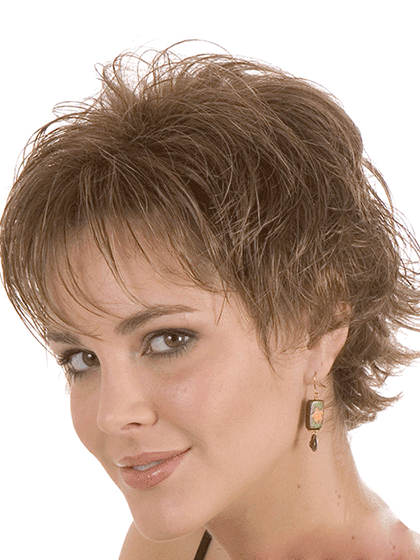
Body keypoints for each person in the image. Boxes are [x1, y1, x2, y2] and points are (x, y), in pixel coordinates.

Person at [1, 45, 420, 559]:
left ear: (316, 325)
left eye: (168, 340)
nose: (113, 414)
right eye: (82, 359)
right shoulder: (171, 547)